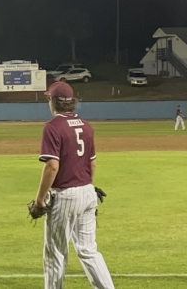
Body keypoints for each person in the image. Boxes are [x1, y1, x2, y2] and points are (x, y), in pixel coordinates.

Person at [33, 81, 115, 289]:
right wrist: (86, 185)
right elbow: (92, 163)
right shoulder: (86, 126)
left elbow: (52, 166)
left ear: (53, 101)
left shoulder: (53, 127)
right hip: (88, 192)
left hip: (65, 195)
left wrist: (40, 198)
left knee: (55, 254)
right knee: (88, 250)